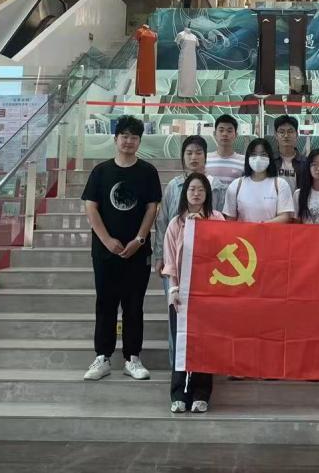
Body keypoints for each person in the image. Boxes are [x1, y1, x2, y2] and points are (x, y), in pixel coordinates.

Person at [82, 115, 161, 382]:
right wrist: (106, 239)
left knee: (134, 305)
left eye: (134, 137)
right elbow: (91, 206)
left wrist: (139, 239)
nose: (128, 141)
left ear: (139, 141)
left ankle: (132, 358)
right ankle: (102, 357)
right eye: (124, 136)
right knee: (105, 303)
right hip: (105, 251)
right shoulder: (101, 172)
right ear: (115, 139)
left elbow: (152, 207)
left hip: (137, 251)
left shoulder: (148, 171)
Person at [163, 172, 224, 413]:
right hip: (182, 291)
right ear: (184, 193)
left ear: (207, 194)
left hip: (208, 292)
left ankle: (201, 394)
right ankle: (179, 394)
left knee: (205, 344)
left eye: (201, 189)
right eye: (191, 189)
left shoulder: (217, 219)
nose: (196, 193)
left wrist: (203, 227)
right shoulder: (175, 223)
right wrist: (173, 288)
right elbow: (170, 260)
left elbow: (222, 252)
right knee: (181, 342)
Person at [152, 135, 214, 366]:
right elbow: (162, 222)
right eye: (189, 153)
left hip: (206, 263)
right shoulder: (173, 187)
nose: (193, 157)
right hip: (176, 262)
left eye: (198, 153)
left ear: (205, 156)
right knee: (176, 313)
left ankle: (203, 366)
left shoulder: (215, 185)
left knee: (205, 316)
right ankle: (177, 367)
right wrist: (160, 255)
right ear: (182, 157)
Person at [223, 138, 294, 223]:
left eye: (263, 154)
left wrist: (261, 226)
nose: (258, 158)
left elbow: (285, 216)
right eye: (253, 154)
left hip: (271, 231)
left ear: (270, 158)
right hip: (243, 232)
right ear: (248, 158)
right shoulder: (236, 185)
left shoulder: (280, 184)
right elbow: (230, 219)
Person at [205, 114, 245, 206]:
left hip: (234, 209)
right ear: (214, 134)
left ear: (236, 135)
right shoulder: (206, 159)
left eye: (229, 131)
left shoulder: (243, 161)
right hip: (210, 209)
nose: (225, 134)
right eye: (221, 130)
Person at [272, 115, 307, 192]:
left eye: (290, 131)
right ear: (276, 135)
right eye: (281, 132)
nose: (286, 135)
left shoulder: (305, 162)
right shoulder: (270, 161)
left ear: (297, 134)